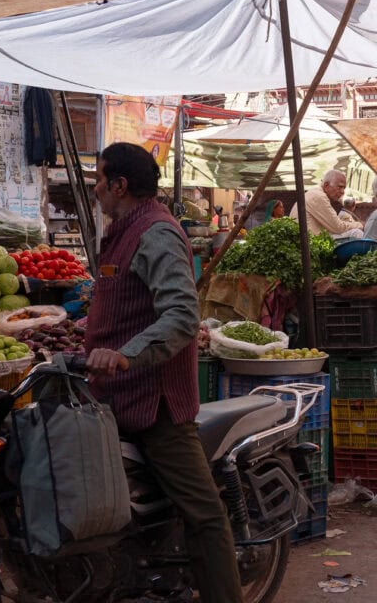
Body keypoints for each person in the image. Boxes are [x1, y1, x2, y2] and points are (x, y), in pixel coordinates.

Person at [84, 143, 242, 603]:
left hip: (155, 402)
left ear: (120, 185)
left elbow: (180, 315)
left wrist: (125, 355)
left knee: (205, 514)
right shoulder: (122, 229)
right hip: (114, 394)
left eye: (99, 181)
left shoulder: (155, 232)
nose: (95, 190)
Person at [289, 169, 364, 238]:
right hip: (311, 243)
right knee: (357, 233)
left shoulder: (314, 193)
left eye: (344, 188)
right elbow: (337, 227)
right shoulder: (319, 196)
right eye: (340, 187)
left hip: (309, 240)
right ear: (326, 186)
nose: (342, 192)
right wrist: (360, 225)